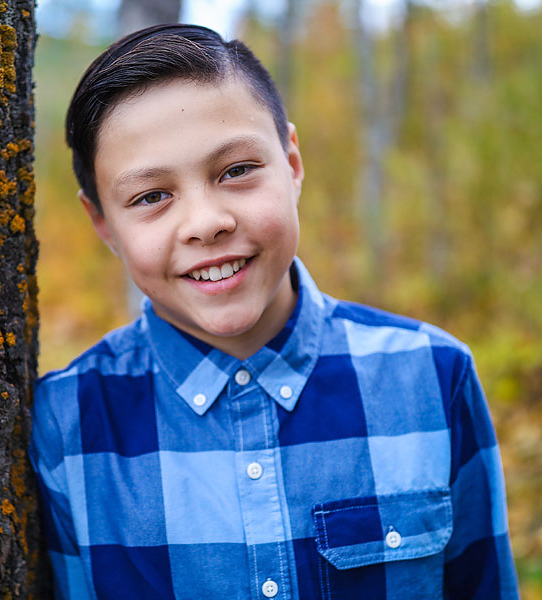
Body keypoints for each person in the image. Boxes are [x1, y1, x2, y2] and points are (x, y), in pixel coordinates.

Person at [29, 24, 518, 600]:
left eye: (236, 170)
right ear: (103, 224)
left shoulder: (432, 375)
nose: (206, 222)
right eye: (150, 196)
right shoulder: (67, 420)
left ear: (291, 163)